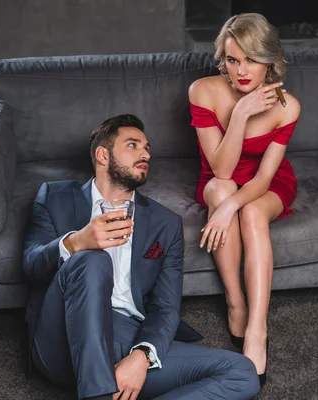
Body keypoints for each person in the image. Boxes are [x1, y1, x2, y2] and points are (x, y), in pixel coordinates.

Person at [22, 114, 260, 400]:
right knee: (93, 259)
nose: (145, 153)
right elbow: (30, 266)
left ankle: (107, 380)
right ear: (102, 155)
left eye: (147, 147)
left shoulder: (165, 223)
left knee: (241, 373)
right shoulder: (54, 196)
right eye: (132, 145)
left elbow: (166, 307)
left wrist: (142, 355)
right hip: (62, 335)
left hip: (128, 334)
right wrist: (76, 243)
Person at [188, 13, 301, 386]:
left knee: (250, 211)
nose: (241, 71)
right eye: (233, 60)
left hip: (263, 185)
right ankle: (234, 301)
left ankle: (257, 329)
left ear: (269, 60)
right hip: (222, 176)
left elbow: (265, 177)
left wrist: (230, 209)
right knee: (221, 190)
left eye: (251, 59)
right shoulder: (202, 91)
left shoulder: (288, 107)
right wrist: (240, 113)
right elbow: (220, 171)